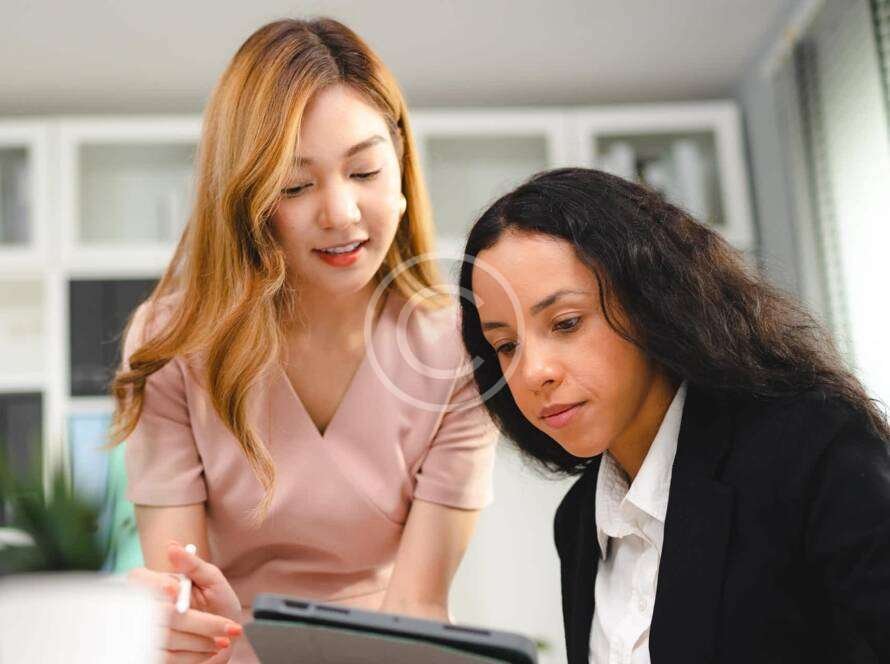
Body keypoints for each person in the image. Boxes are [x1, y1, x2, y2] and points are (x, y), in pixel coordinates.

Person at [113, 18, 496, 663]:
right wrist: (181, 623)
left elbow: (418, 605)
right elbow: (186, 600)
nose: (341, 214)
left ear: (402, 173)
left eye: (365, 171)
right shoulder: (171, 343)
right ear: (244, 202)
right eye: (295, 185)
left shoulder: (458, 351)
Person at [457, 167, 890, 663]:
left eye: (566, 323)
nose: (533, 372)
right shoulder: (577, 521)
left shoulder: (811, 446)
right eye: (506, 346)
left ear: (650, 301)